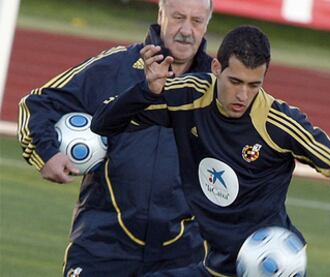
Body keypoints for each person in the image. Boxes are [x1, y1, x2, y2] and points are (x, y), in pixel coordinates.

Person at [91, 25, 330, 276]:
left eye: (254, 84)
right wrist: (146, 90)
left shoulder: (279, 123)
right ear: (216, 68)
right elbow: (104, 123)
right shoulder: (188, 96)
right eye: (235, 81)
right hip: (217, 265)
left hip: (268, 265)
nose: (243, 95)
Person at [17, 0, 214, 275]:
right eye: (179, 17)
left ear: (207, 25)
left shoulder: (217, 87)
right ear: (161, 14)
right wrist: (46, 153)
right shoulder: (115, 66)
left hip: (183, 256)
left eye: (196, 21)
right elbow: (37, 103)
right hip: (102, 245)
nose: (186, 30)